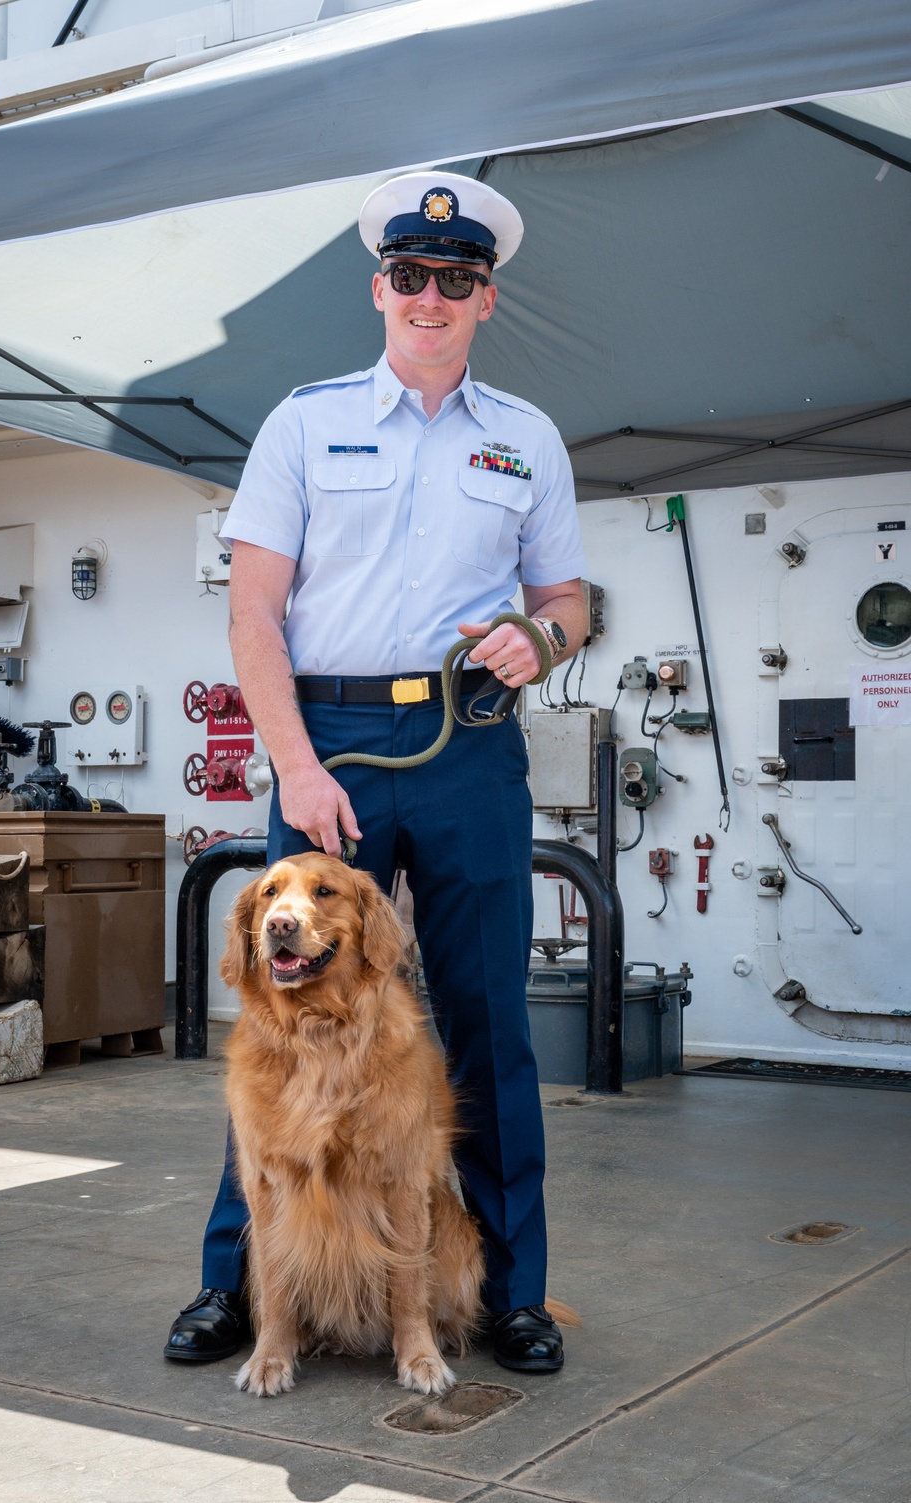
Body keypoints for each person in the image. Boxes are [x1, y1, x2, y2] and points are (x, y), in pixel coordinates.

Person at [165, 171, 589, 1374]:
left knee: (488, 1027)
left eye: (455, 280)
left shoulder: (528, 439)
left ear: (484, 299)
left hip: (467, 748)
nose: (430, 296)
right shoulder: (303, 422)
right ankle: (236, 1290)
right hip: (329, 751)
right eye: (410, 276)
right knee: (279, 1029)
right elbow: (255, 614)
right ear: (380, 288)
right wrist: (292, 769)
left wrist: (542, 639)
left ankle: (509, 1293)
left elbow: (567, 599)